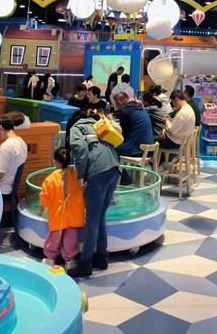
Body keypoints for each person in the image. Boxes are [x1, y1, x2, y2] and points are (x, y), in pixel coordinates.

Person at [68, 109, 121, 277]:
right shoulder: (96, 124)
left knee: (91, 219)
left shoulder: (76, 128)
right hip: (115, 168)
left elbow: (81, 151)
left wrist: (81, 176)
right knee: (100, 216)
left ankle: (85, 264)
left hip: (99, 172)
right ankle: (101, 258)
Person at [38, 147, 84, 270]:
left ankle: (50, 259)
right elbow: (83, 188)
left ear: (55, 161)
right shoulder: (76, 175)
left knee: (54, 237)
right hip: (74, 214)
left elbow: (44, 197)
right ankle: (69, 261)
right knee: (71, 238)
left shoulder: (50, 179)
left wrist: (40, 210)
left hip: (58, 214)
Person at [0, 118, 28, 197]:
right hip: (11, 188)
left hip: (0, 190)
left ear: (0, 128)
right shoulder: (22, 143)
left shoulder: (6, 146)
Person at [114, 92, 154, 157]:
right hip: (149, 148)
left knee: (111, 147)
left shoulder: (126, 111)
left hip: (137, 150)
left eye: (117, 105)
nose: (117, 108)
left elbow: (121, 133)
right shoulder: (139, 107)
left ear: (119, 103)